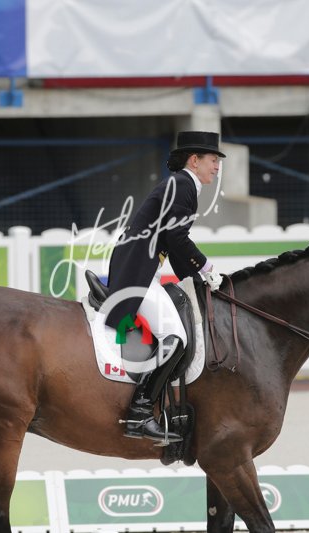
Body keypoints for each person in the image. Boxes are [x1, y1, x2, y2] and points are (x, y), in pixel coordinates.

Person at [96, 131, 225, 443]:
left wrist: (193, 277)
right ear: (194, 160)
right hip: (136, 273)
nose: (217, 167)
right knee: (176, 338)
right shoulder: (183, 186)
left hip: (142, 267)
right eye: (212, 160)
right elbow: (177, 238)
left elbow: (170, 239)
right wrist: (205, 267)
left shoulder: (182, 185)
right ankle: (140, 412)